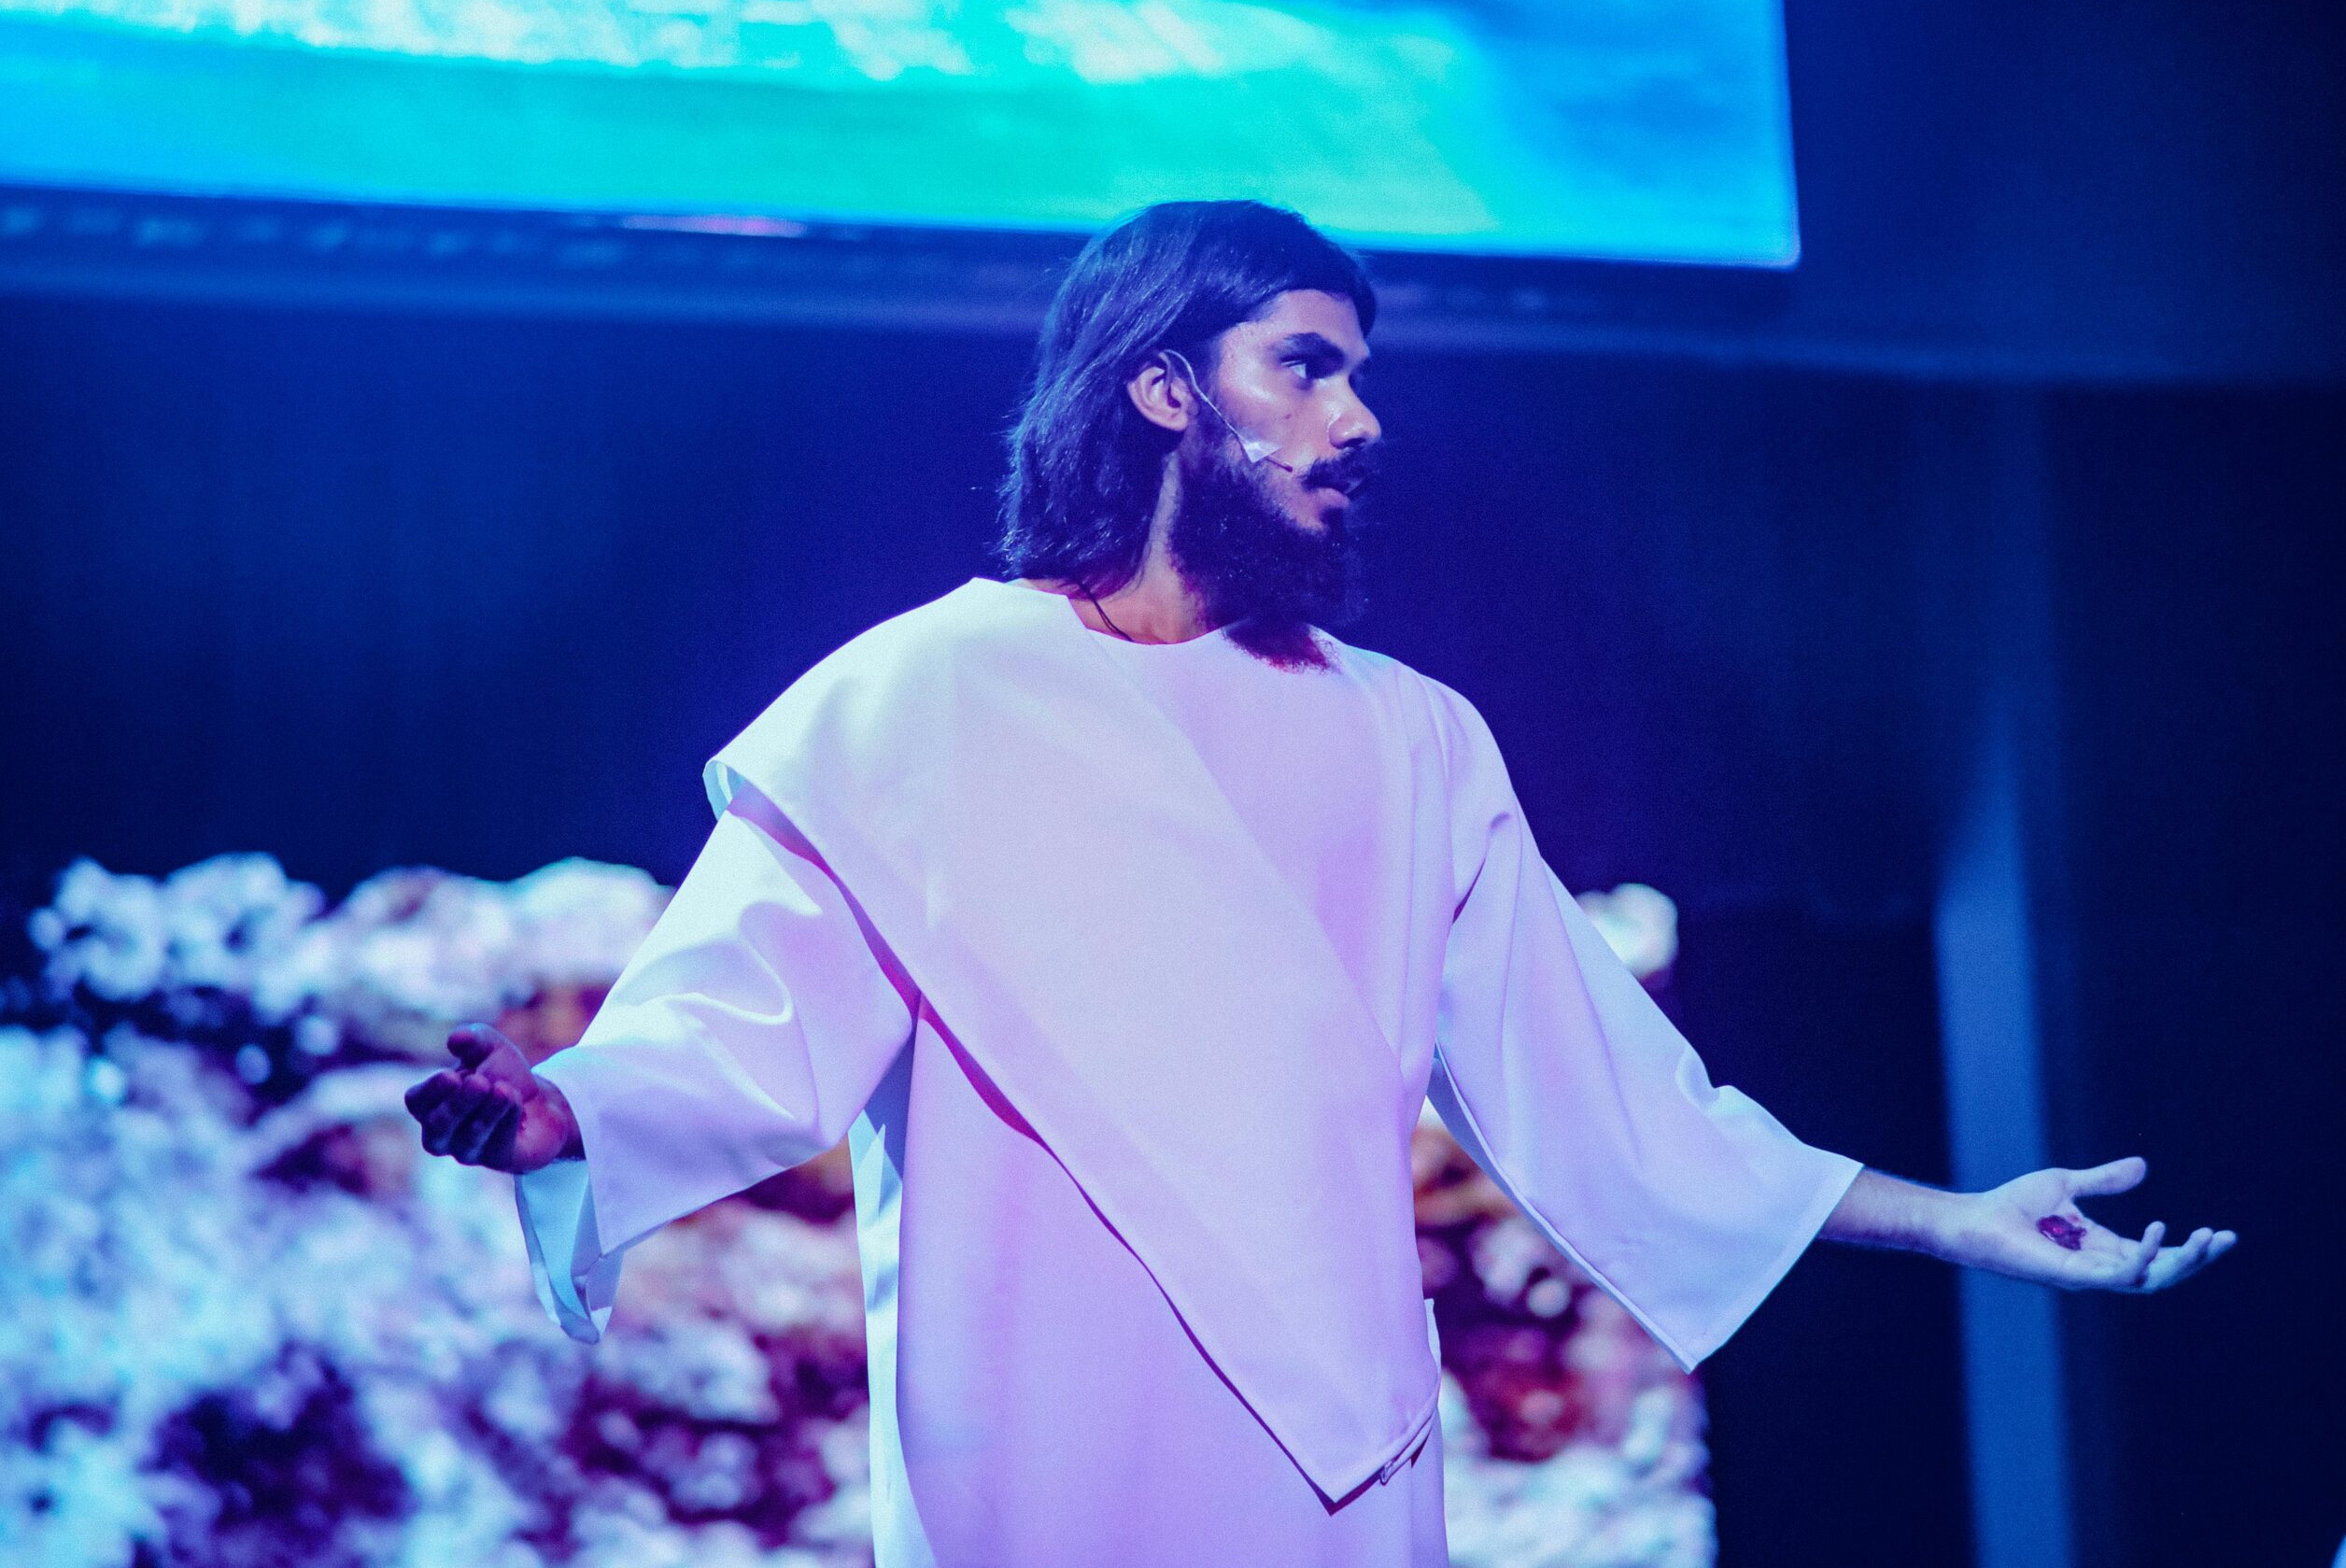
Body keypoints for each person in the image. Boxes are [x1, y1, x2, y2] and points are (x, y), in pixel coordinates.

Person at [403, 201, 2234, 1567]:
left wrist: (1958, 1219)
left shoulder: (1411, 737)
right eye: (1308, 364)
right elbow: (740, 1015)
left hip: (1336, 1464)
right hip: (1036, 1442)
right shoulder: (923, 696)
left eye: (1359, 375)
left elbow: (1611, 1097)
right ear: (1160, 384)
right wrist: (559, 1107)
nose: (1356, 420)